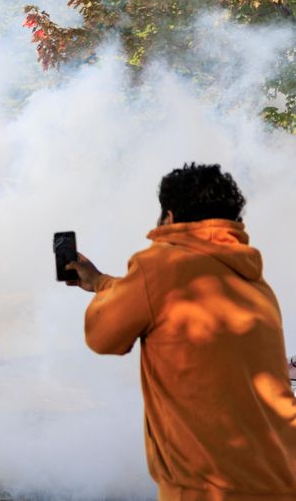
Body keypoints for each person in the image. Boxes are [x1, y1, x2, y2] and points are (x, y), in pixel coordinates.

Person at [66, 163, 296, 499]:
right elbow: (167, 304)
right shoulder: (252, 280)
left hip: (209, 487)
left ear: (170, 218)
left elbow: (103, 337)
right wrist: (101, 282)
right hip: (280, 476)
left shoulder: (161, 265)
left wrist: (112, 289)